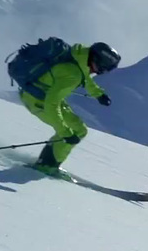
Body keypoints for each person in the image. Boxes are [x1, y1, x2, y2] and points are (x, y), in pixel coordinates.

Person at [15, 41, 121, 174]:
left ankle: (46, 162)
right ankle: (46, 166)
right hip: (38, 100)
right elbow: (51, 105)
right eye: (103, 68)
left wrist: (98, 94)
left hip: (37, 94)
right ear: (97, 60)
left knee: (76, 128)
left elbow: (85, 77)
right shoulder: (73, 75)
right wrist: (65, 133)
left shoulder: (77, 57)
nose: (100, 72)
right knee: (76, 130)